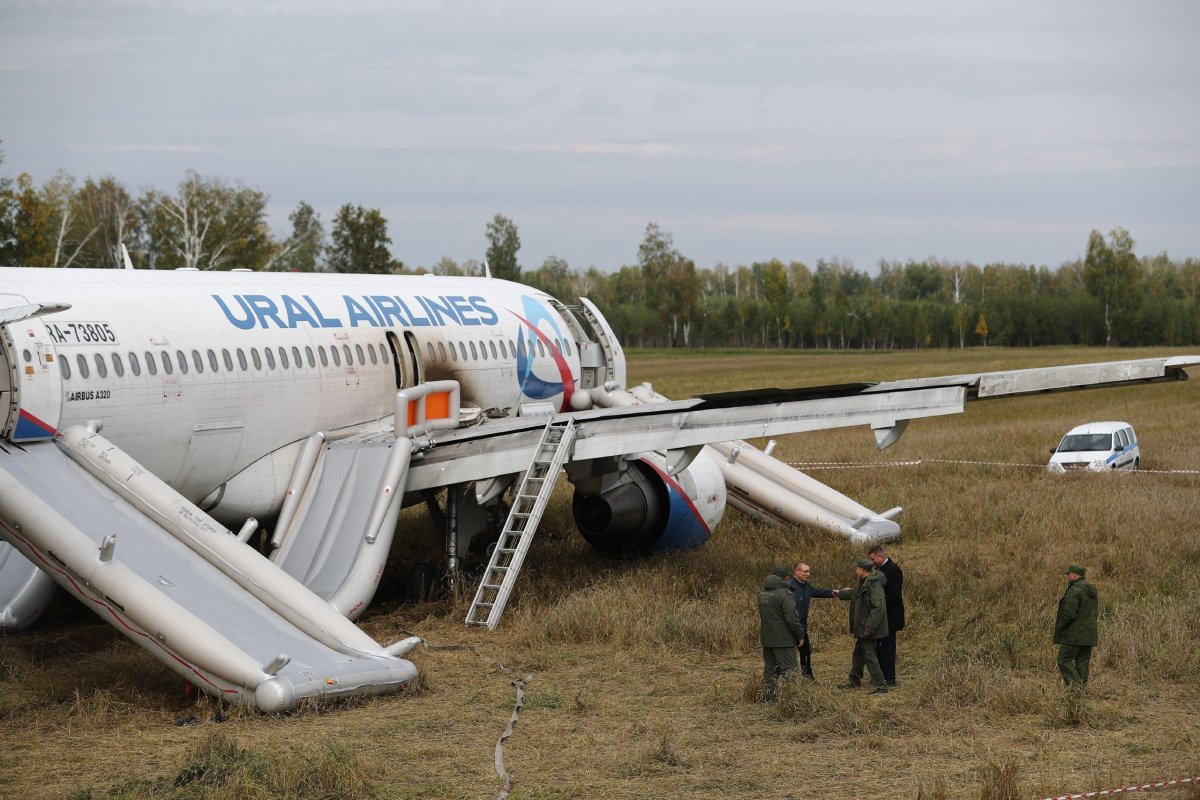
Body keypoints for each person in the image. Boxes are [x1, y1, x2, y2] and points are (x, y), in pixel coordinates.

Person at [834, 558, 889, 694]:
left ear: (863, 570)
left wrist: (870, 627)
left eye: (857, 568)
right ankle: (854, 681)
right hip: (862, 626)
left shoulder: (875, 585)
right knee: (858, 654)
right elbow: (855, 592)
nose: (855, 570)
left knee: (869, 656)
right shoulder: (864, 581)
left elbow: (878, 608)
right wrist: (840, 593)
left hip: (867, 628)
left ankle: (881, 686)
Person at [758, 568, 805, 701]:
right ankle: (793, 700)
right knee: (790, 669)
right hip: (783, 639)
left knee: (770, 669)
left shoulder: (763, 592)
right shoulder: (785, 593)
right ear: (785, 578)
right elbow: (792, 618)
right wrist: (799, 635)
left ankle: (767, 697)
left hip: (767, 638)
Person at [786, 561, 838, 680]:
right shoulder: (789, 588)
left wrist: (834, 592)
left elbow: (817, 592)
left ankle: (807, 678)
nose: (808, 574)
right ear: (797, 571)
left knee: (806, 653)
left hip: (802, 627)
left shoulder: (806, 586)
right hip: (790, 628)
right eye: (805, 571)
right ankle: (788, 681)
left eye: (809, 571)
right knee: (788, 656)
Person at [1054, 564, 1098, 689]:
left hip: (1074, 635)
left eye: (1067, 575)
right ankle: (1082, 690)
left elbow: (1069, 614)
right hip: (1089, 635)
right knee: (1082, 663)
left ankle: (1076, 689)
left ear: (1073, 575)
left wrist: (1061, 626)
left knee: (1063, 659)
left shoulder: (1074, 591)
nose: (1067, 577)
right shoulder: (1091, 591)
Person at [868, 545, 904, 686]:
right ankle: (881, 675)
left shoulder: (893, 570)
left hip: (890, 618)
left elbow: (894, 595)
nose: (871, 562)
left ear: (880, 556)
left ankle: (889, 678)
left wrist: (877, 603)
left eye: (873, 559)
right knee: (880, 648)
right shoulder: (878, 569)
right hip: (882, 617)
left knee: (888, 648)